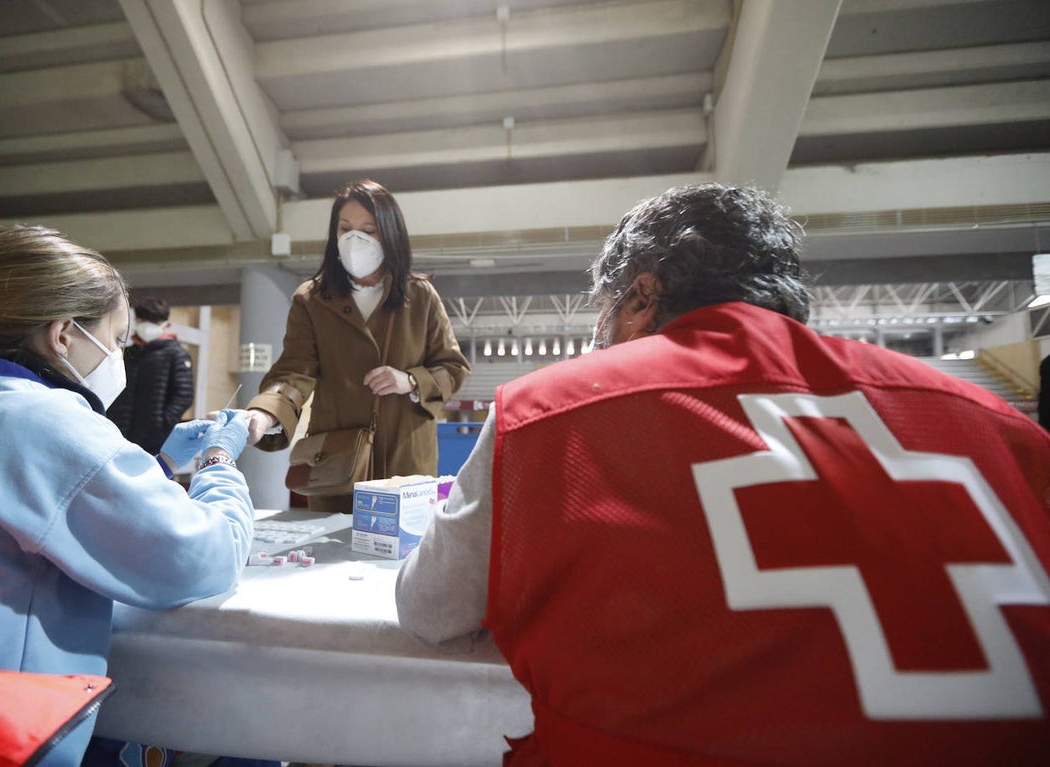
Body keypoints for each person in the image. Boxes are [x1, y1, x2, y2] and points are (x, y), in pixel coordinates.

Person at [395, 184, 1050, 765]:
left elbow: (430, 607)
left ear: (640, 298)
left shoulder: (552, 413)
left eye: (604, 306)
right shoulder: (1001, 427)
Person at [0, 226, 255, 767]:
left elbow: (20, 507)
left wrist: (156, 464)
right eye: (115, 339)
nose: (117, 355)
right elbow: (201, 558)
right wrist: (218, 462)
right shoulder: (41, 419)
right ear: (63, 334)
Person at [245, 179, 470, 512]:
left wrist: (409, 381)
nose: (355, 239)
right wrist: (264, 413)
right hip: (335, 465)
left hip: (404, 463)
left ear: (390, 234)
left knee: (400, 559)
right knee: (329, 558)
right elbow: (294, 372)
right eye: (345, 228)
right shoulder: (312, 300)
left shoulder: (419, 296)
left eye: (369, 230)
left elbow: (453, 368)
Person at [107, 296, 196, 455]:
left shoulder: (176, 354)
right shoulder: (127, 353)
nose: (148, 327)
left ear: (166, 325)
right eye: (143, 321)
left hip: (155, 440)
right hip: (118, 433)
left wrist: (161, 423)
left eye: (154, 323)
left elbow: (184, 395)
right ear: (136, 320)